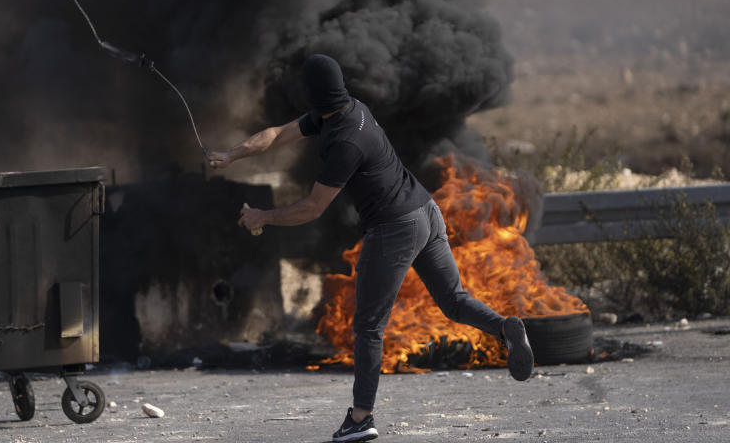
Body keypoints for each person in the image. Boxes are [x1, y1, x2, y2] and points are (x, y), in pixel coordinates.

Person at [207, 54, 534, 443]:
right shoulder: (348, 108)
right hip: (426, 212)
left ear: (313, 94)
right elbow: (277, 134)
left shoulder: (344, 140)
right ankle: (505, 328)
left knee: (368, 326)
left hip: (395, 228)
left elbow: (312, 208)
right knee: (454, 300)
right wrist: (231, 155)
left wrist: (262, 217)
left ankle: (361, 417)